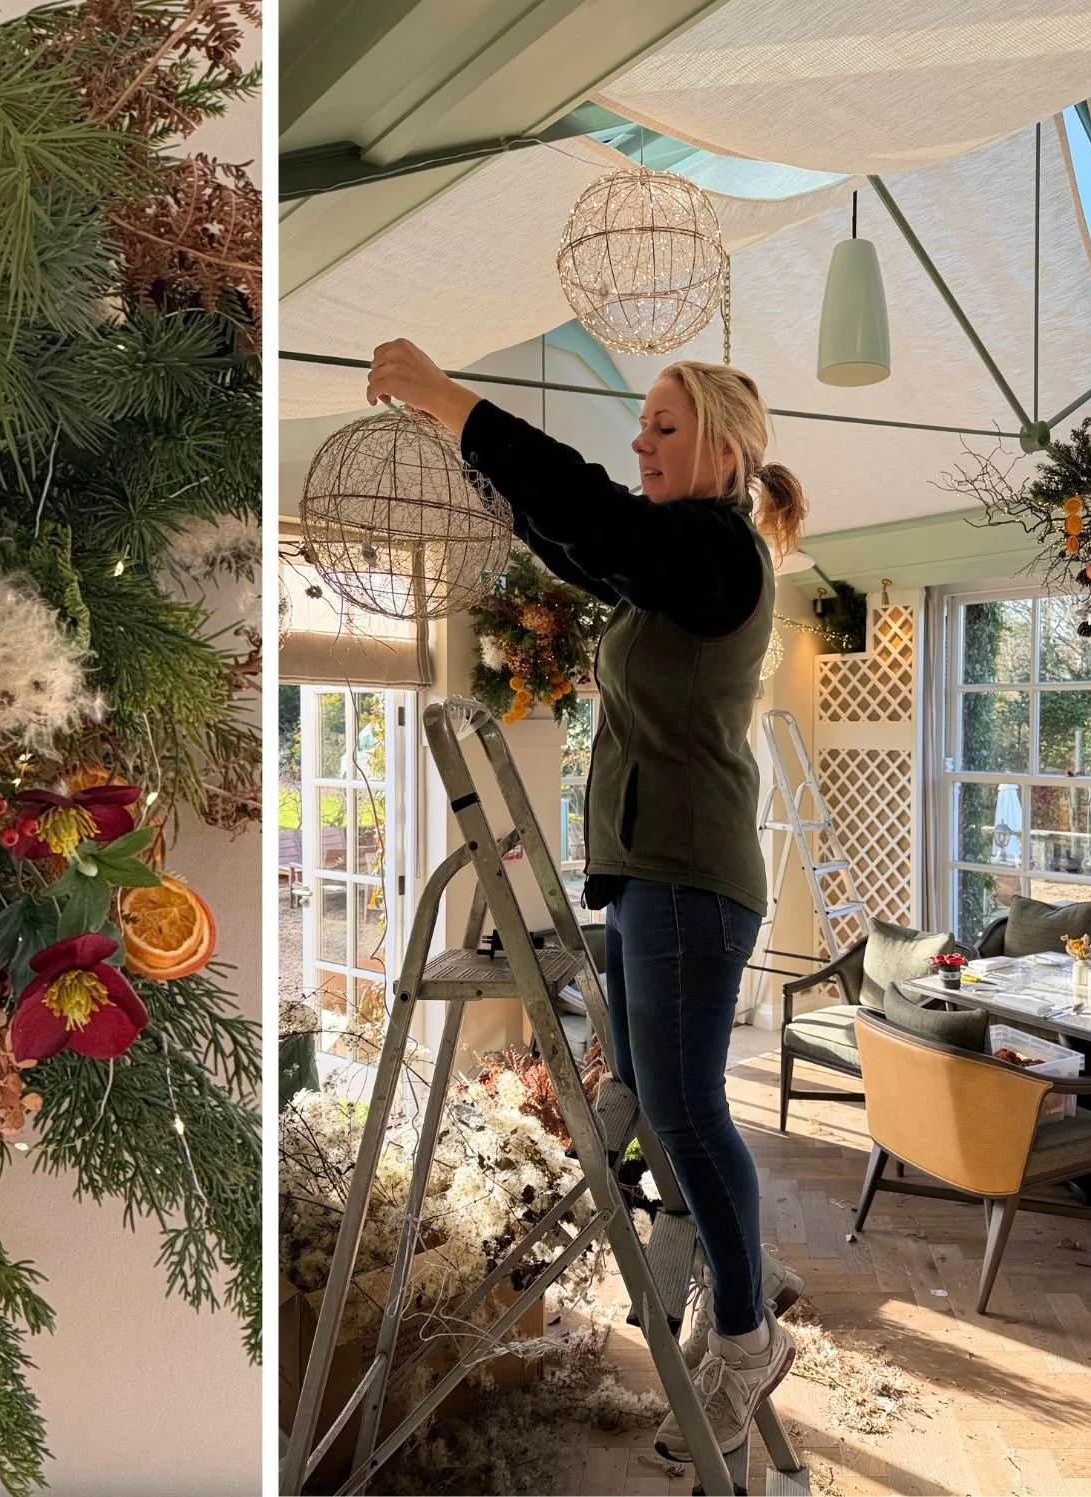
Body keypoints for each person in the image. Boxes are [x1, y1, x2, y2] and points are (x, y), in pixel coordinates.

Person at [365, 339, 804, 1466]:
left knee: (689, 1112)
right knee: (671, 1110)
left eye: (661, 426)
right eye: (641, 426)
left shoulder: (716, 553)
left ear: (721, 445)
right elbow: (574, 537)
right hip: (657, 877)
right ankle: (739, 1323)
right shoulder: (683, 560)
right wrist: (475, 467)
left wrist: (451, 403)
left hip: (684, 878)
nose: (639, 441)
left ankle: (746, 1338)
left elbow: (595, 517)